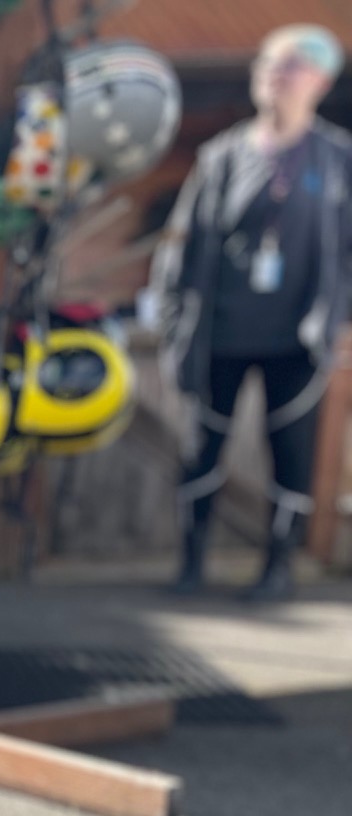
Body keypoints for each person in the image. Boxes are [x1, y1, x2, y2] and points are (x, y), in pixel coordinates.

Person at [152, 23, 352, 601]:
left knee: (291, 455)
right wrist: (174, 323)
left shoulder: (337, 160)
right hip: (219, 336)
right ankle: (190, 566)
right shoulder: (222, 156)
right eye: (269, 64)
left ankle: (278, 569)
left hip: (298, 340)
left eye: (291, 66)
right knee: (200, 454)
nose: (275, 76)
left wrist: (336, 317)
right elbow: (181, 245)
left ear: (321, 80)